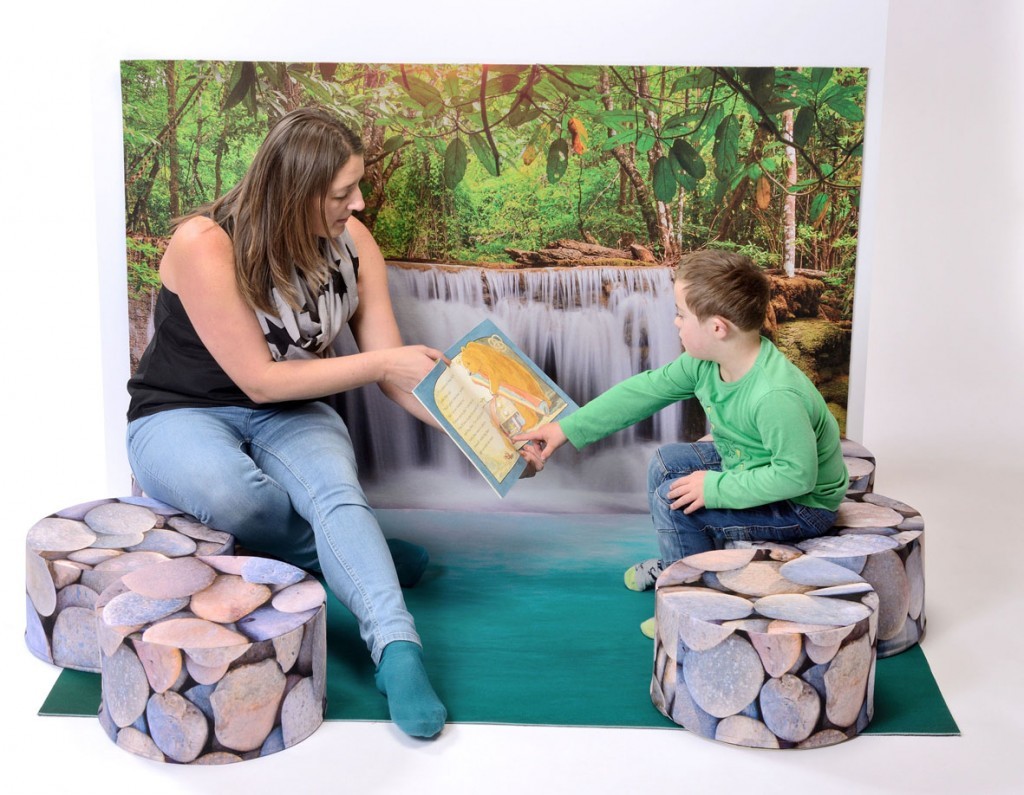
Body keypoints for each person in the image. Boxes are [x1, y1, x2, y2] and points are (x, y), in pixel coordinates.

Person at [126, 107, 542, 738]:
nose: (360, 201)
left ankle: (397, 650)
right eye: (344, 192)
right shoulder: (204, 243)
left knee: (338, 494)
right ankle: (334, 551)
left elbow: (399, 377)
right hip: (180, 411)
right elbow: (259, 380)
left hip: (296, 412)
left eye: (359, 186)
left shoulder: (354, 243)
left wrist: (490, 434)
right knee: (231, 496)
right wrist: (383, 362)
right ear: (294, 193)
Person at [515, 250, 848, 636]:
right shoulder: (705, 363)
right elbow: (644, 392)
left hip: (802, 505)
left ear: (718, 328)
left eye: (680, 314)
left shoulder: (774, 395)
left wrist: (716, 488)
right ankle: (679, 559)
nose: (673, 323)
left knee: (673, 503)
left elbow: (797, 476)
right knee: (666, 463)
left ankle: (691, 607)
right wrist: (566, 429)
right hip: (749, 464)